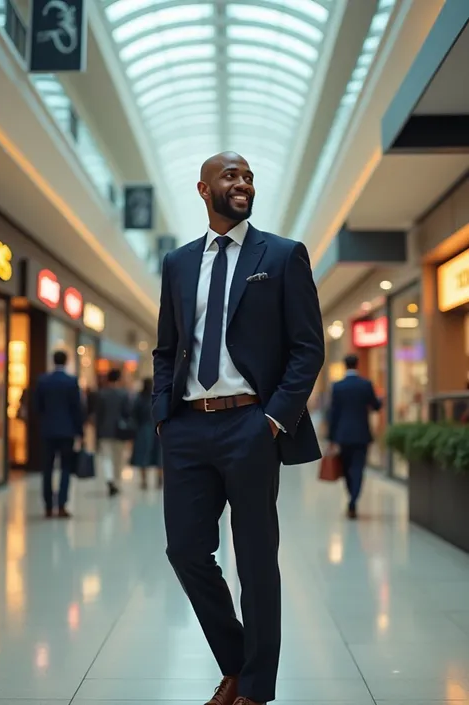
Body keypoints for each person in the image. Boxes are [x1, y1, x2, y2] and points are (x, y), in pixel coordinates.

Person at [153, 152, 324, 705]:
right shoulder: (178, 263)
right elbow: (165, 347)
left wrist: (273, 419)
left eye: (248, 176)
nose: (243, 183)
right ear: (204, 189)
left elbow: (307, 349)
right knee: (185, 550)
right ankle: (236, 662)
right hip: (187, 429)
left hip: (252, 424)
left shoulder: (282, 254)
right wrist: (163, 415)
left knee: (255, 561)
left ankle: (254, 689)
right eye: (231, 176)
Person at [328, 353, 382, 519]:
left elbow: (333, 413)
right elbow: (375, 406)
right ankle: (353, 500)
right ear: (358, 365)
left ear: (345, 366)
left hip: (343, 435)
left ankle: (351, 497)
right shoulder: (365, 385)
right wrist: (381, 400)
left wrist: (331, 438)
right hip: (361, 434)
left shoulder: (337, 386)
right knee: (358, 468)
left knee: (346, 468)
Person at [35, 350, 84, 518]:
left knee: (47, 469)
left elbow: (38, 406)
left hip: (48, 431)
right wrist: (80, 431)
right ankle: (62, 505)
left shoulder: (43, 381)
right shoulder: (71, 382)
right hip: (67, 431)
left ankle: (48, 506)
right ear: (67, 361)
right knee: (65, 467)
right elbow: (77, 409)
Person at [95, 368, 129, 496]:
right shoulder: (123, 394)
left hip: (105, 430)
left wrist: (97, 433)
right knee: (118, 458)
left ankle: (109, 479)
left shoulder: (102, 394)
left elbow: (98, 415)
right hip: (120, 430)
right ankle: (117, 481)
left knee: (106, 457)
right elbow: (127, 413)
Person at [130, 378, 163, 490]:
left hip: (143, 430)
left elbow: (134, 414)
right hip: (156, 429)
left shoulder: (139, 398)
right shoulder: (156, 396)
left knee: (143, 455)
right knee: (158, 455)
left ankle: (144, 481)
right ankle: (159, 478)